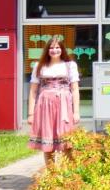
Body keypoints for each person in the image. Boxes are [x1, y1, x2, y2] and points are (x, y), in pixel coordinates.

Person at [27, 36, 81, 167]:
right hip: (45, 106)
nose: (54, 50)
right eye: (51, 48)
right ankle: (52, 175)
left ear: (62, 49)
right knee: (48, 142)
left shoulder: (70, 66)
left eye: (57, 47)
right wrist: (31, 114)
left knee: (67, 142)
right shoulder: (39, 66)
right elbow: (33, 91)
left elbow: (74, 89)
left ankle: (70, 174)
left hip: (64, 106)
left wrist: (76, 112)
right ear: (47, 50)